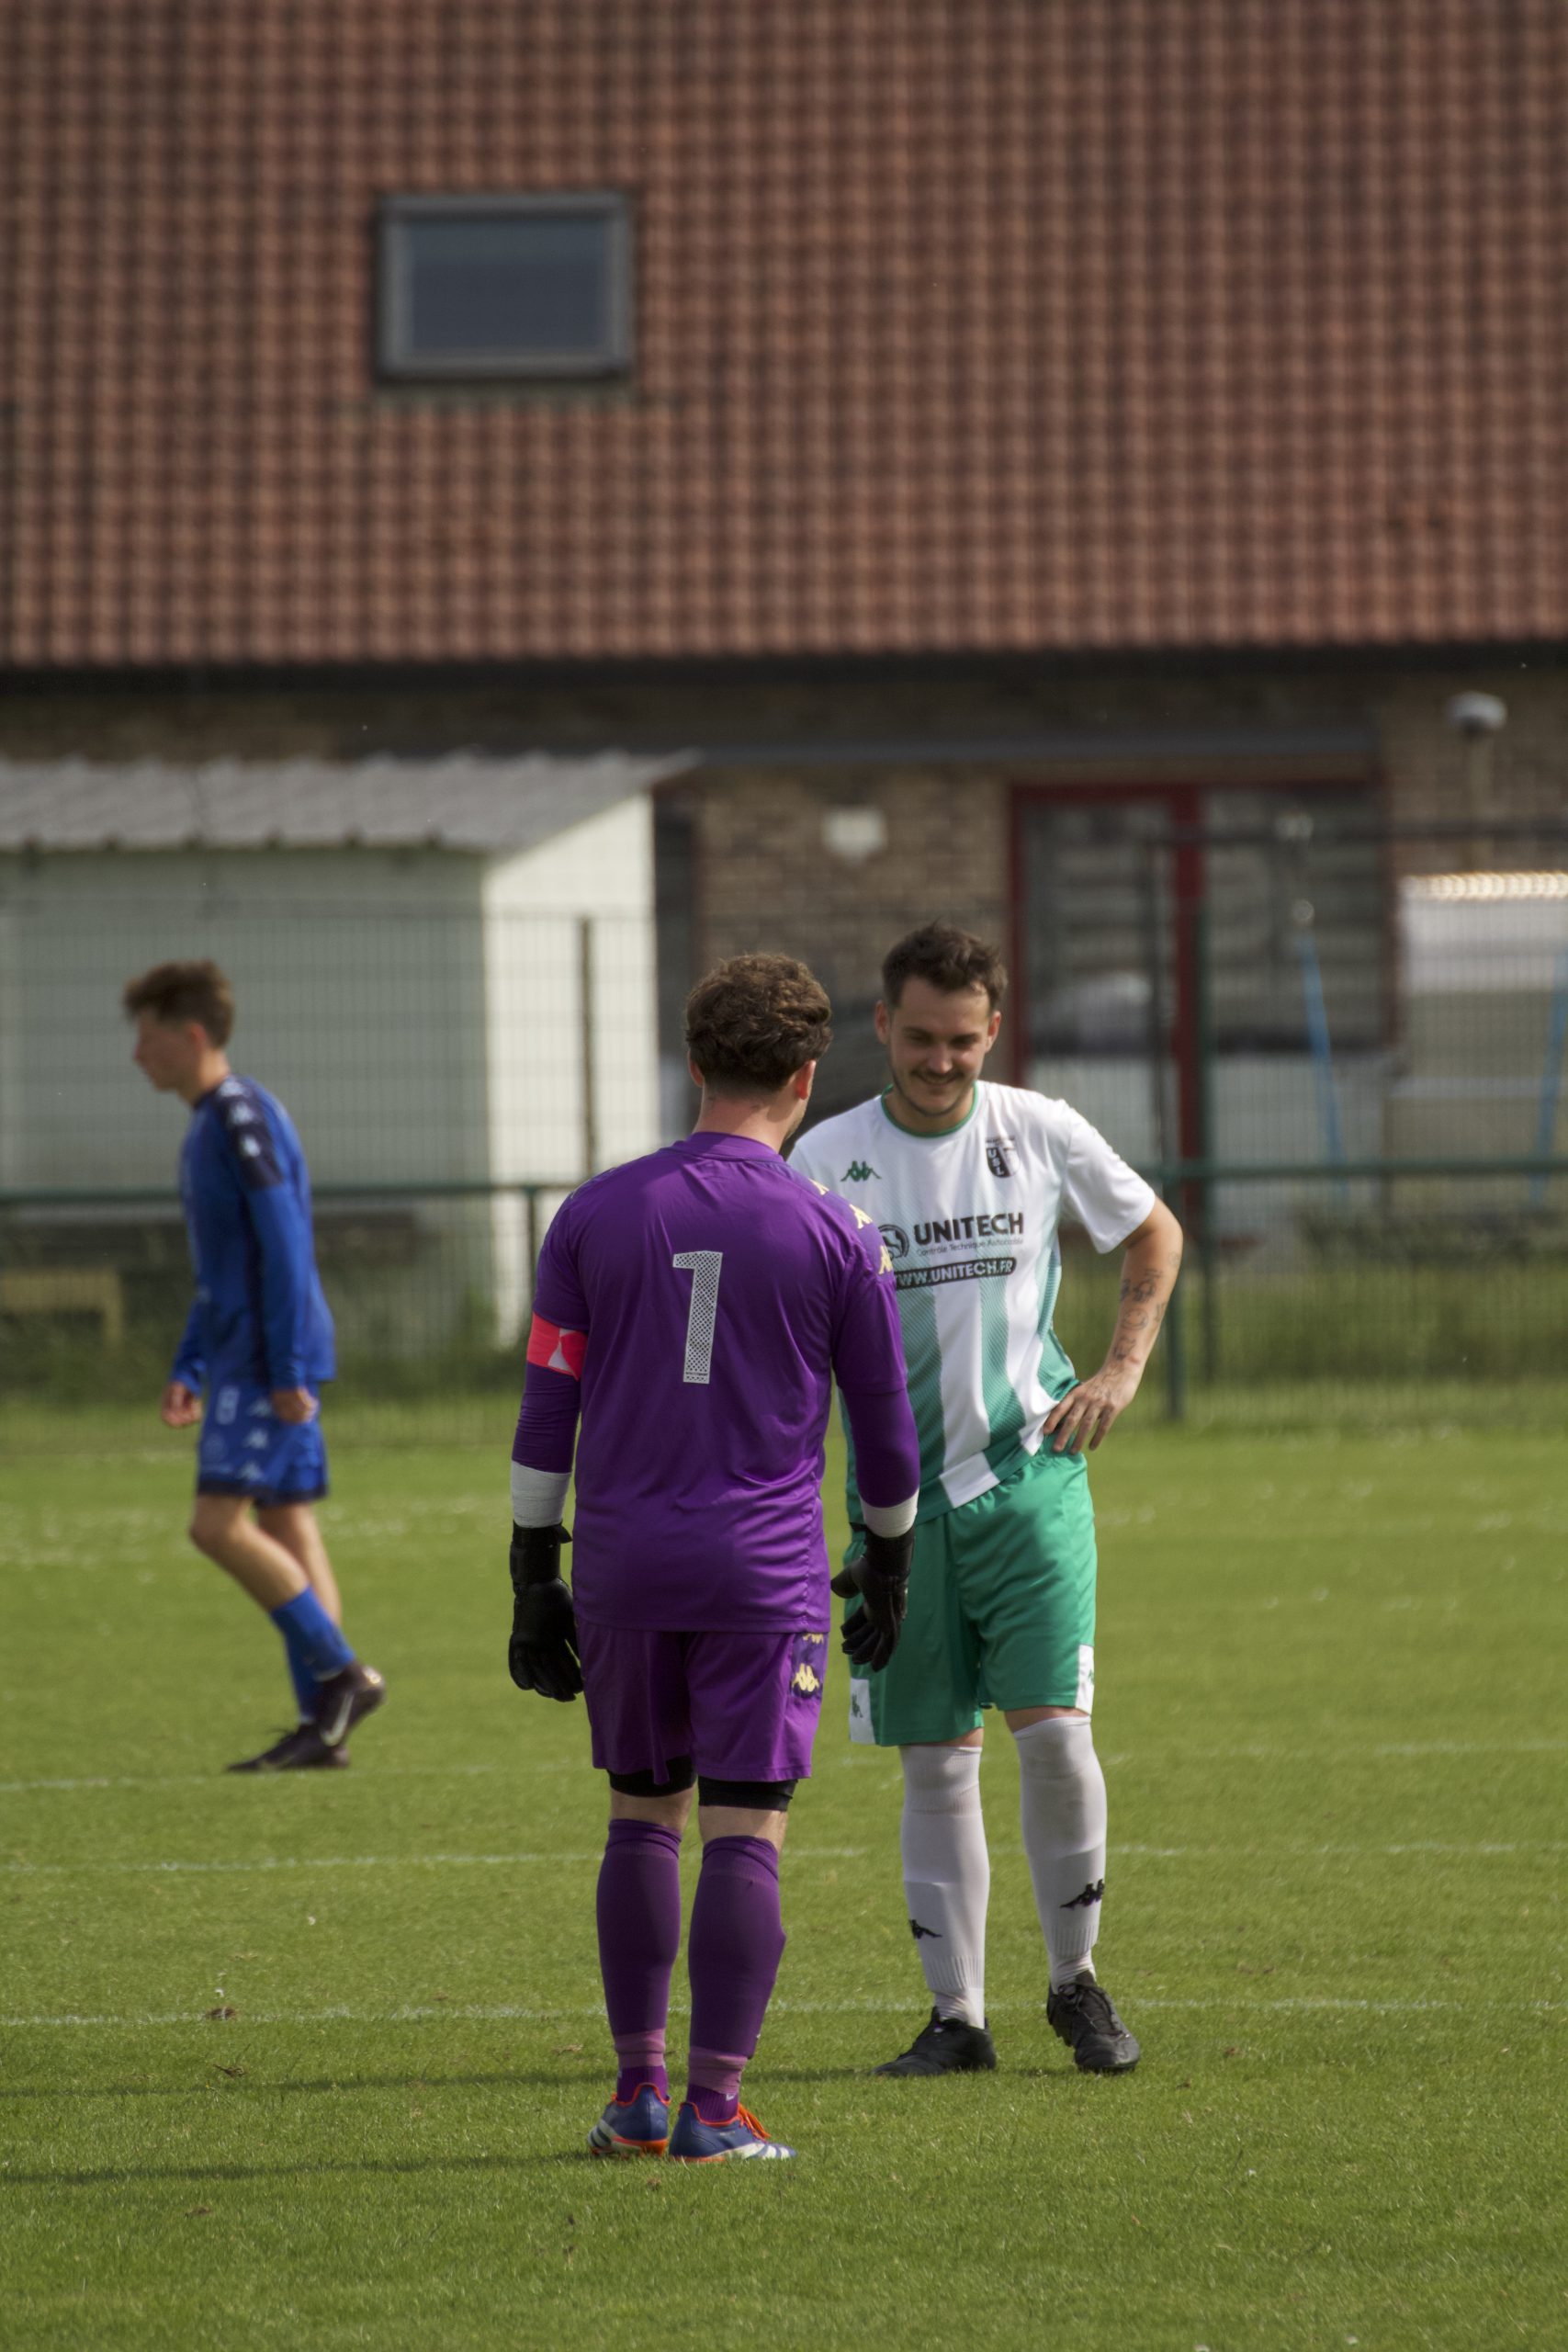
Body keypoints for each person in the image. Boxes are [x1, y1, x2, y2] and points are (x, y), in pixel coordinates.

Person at [507, 954, 920, 2164]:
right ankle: (713, 2110)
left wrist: (533, 1574)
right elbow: (885, 1438)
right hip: (762, 1574)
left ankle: (635, 2095)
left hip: (625, 1568)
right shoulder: (835, 1230)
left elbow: (546, 1409)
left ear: (692, 1064)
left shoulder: (591, 1213)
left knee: (641, 1817)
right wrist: (886, 1564)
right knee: (744, 1829)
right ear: (804, 1075)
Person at [788, 922, 1183, 2077]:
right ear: (881, 1026)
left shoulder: (1040, 1127)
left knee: (1057, 1738)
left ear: (993, 1031)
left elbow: (1153, 1229)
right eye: (919, 1037)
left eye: (963, 1040)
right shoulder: (824, 1158)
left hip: (1032, 1481)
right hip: (896, 1515)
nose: (941, 1060)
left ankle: (1077, 1985)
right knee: (934, 1759)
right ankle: (956, 2017)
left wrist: (1121, 1369)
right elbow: (795, 1342)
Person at [124, 958, 385, 1773]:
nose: (138, 1055)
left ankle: (342, 1677)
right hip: (248, 1356)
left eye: (148, 1036)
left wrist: (285, 1367)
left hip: (266, 1362)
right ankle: (323, 1729)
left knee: (215, 1526)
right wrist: (189, 1363)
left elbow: (281, 1242)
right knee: (286, 1524)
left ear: (191, 1034)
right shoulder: (212, 1121)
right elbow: (226, 1268)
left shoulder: (237, 1116)